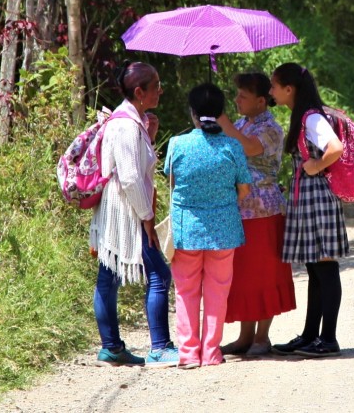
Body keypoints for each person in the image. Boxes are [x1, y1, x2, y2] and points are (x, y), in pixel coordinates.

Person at [90, 61, 178, 367]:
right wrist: (147, 216)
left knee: (109, 275)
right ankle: (160, 347)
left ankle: (112, 347)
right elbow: (129, 178)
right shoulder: (126, 126)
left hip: (116, 210)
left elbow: (134, 166)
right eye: (155, 86)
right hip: (127, 212)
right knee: (159, 274)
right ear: (139, 92)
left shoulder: (129, 122)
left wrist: (150, 135)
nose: (160, 91)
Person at [164, 83, 252, 368]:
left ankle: (188, 353)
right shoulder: (232, 146)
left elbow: (172, 181)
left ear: (192, 112)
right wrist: (223, 200)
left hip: (186, 229)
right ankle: (211, 353)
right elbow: (244, 190)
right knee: (217, 291)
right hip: (224, 230)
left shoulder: (178, 144)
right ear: (221, 113)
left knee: (186, 291)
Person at [268, 63, 348, 358]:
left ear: (290, 89)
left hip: (319, 198)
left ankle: (328, 339)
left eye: (274, 86)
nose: (271, 91)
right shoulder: (303, 117)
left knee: (325, 266)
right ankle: (311, 335)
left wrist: (312, 166)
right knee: (316, 268)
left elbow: (335, 148)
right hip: (310, 198)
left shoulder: (312, 118)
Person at [217, 73, 296, 357]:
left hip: (265, 209)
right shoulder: (240, 123)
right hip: (240, 209)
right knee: (244, 273)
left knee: (265, 271)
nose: (237, 100)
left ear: (261, 102)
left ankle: (262, 337)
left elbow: (249, 147)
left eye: (243, 96)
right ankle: (245, 336)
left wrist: (224, 123)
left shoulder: (271, 128)